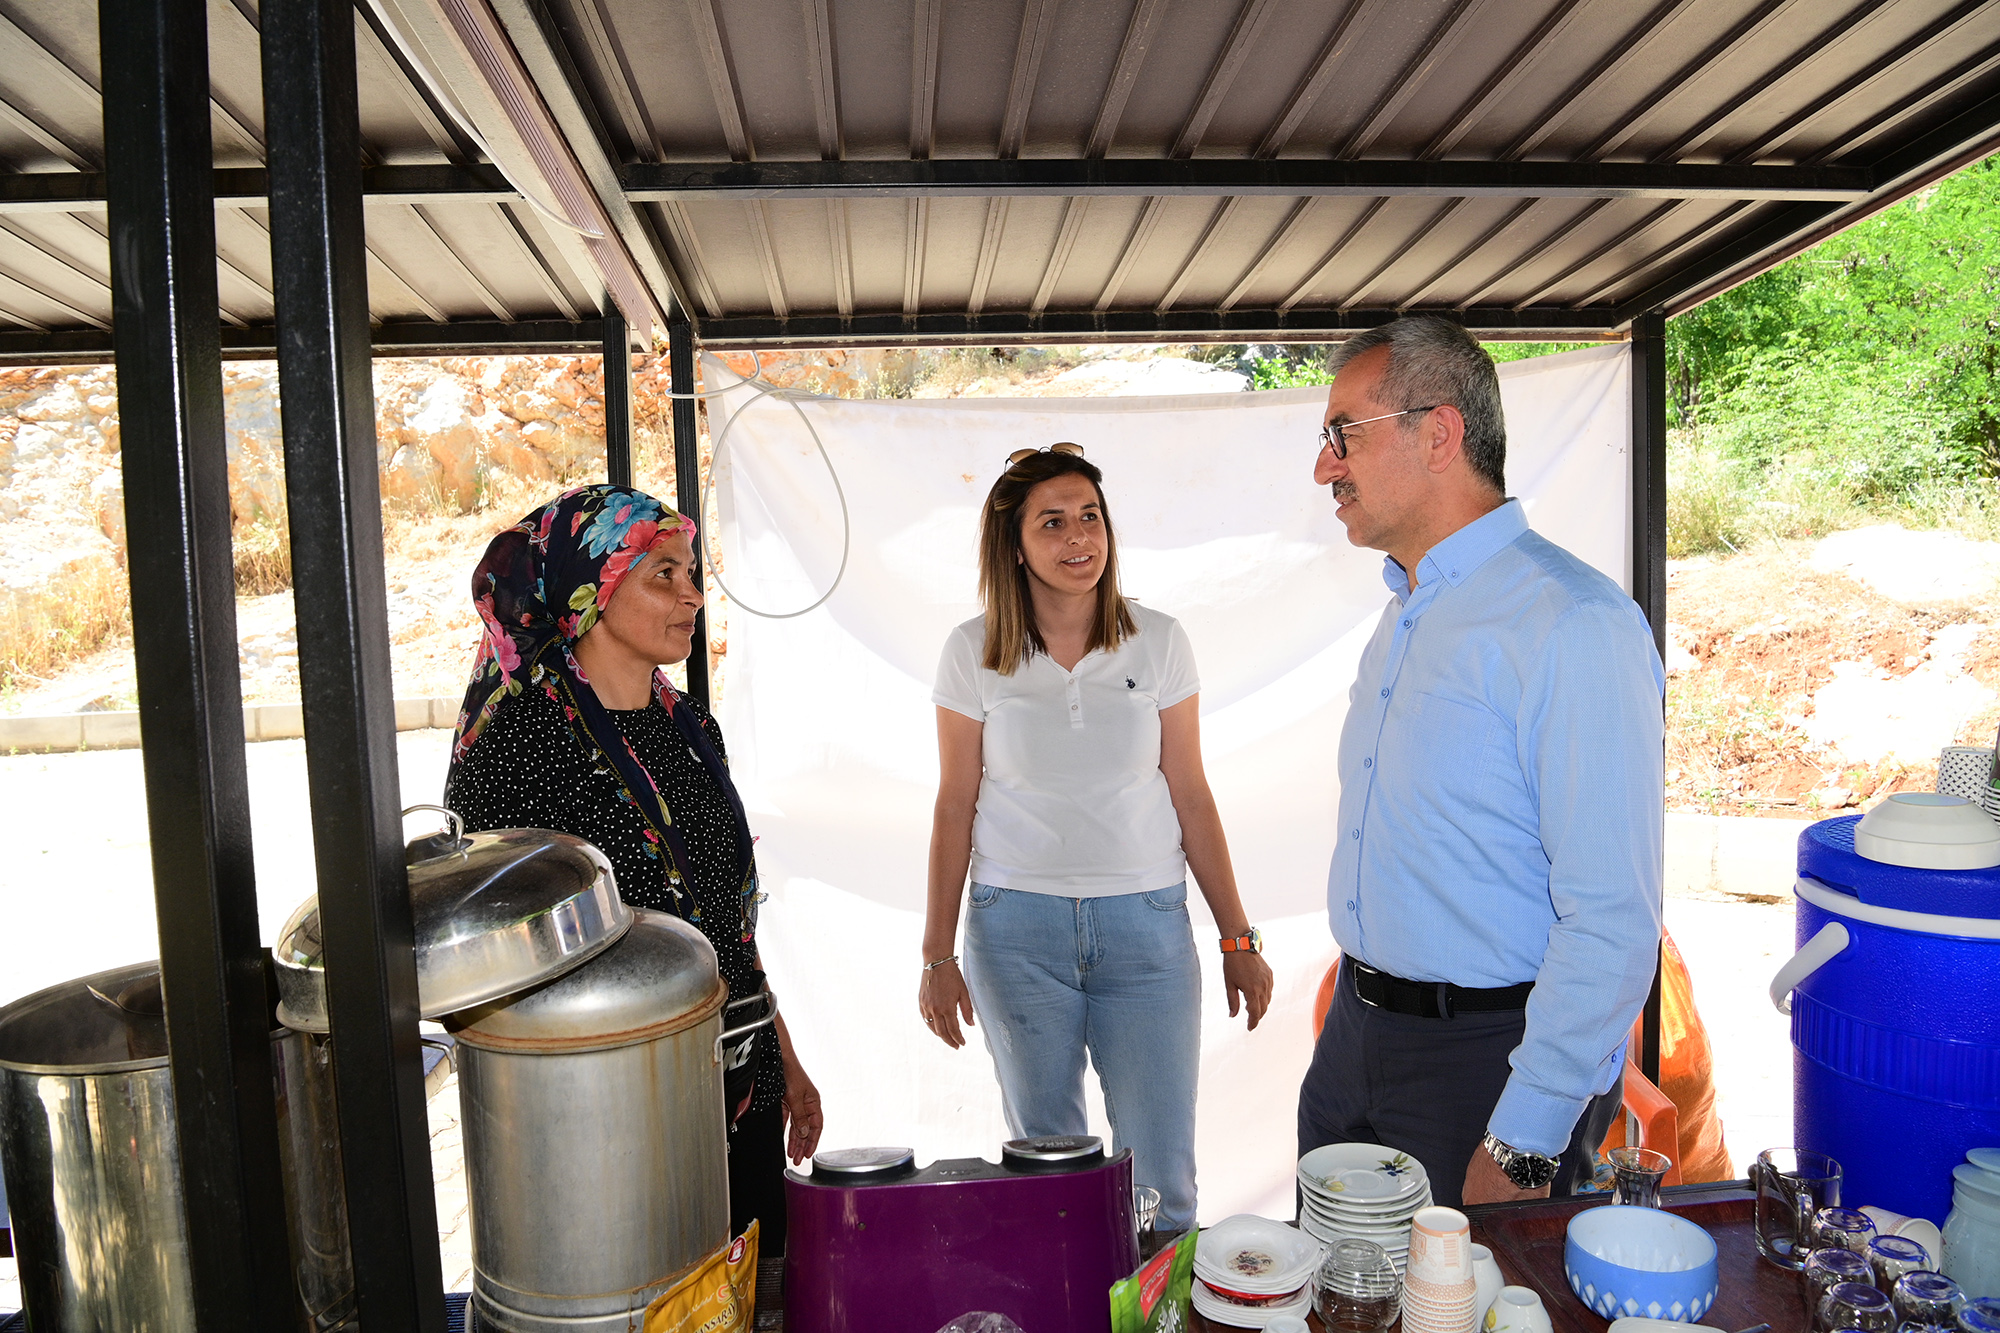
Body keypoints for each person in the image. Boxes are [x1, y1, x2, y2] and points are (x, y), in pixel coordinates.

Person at [1297, 316, 1664, 1209]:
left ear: (1439, 433)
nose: (1324, 468)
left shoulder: (1572, 623)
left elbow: (1613, 921)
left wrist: (1525, 1143)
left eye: (1342, 434)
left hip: (1484, 1066)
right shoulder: (1405, 611)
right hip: (1355, 1040)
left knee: (1471, 1288)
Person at [442, 483, 822, 1253]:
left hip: (736, 1073)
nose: (693, 596)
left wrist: (784, 1052)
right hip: (607, 1102)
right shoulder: (522, 743)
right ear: (594, 588)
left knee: (748, 1286)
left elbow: (723, 916)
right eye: (664, 574)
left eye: (692, 573)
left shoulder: (690, 727)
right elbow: (493, 950)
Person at [917, 443, 1275, 1233]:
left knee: (1162, 1181)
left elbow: (1190, 791)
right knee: (1049, 1172)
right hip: (1016, 930)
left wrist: (1237, 936)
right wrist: (937, 955)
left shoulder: (1160, 639)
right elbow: (954, 805)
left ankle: (1160, 1297)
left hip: (1146, 928)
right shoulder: (972, 650)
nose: (1079, 536)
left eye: (1090, 516)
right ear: (1015, 545)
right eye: (1052, 522)